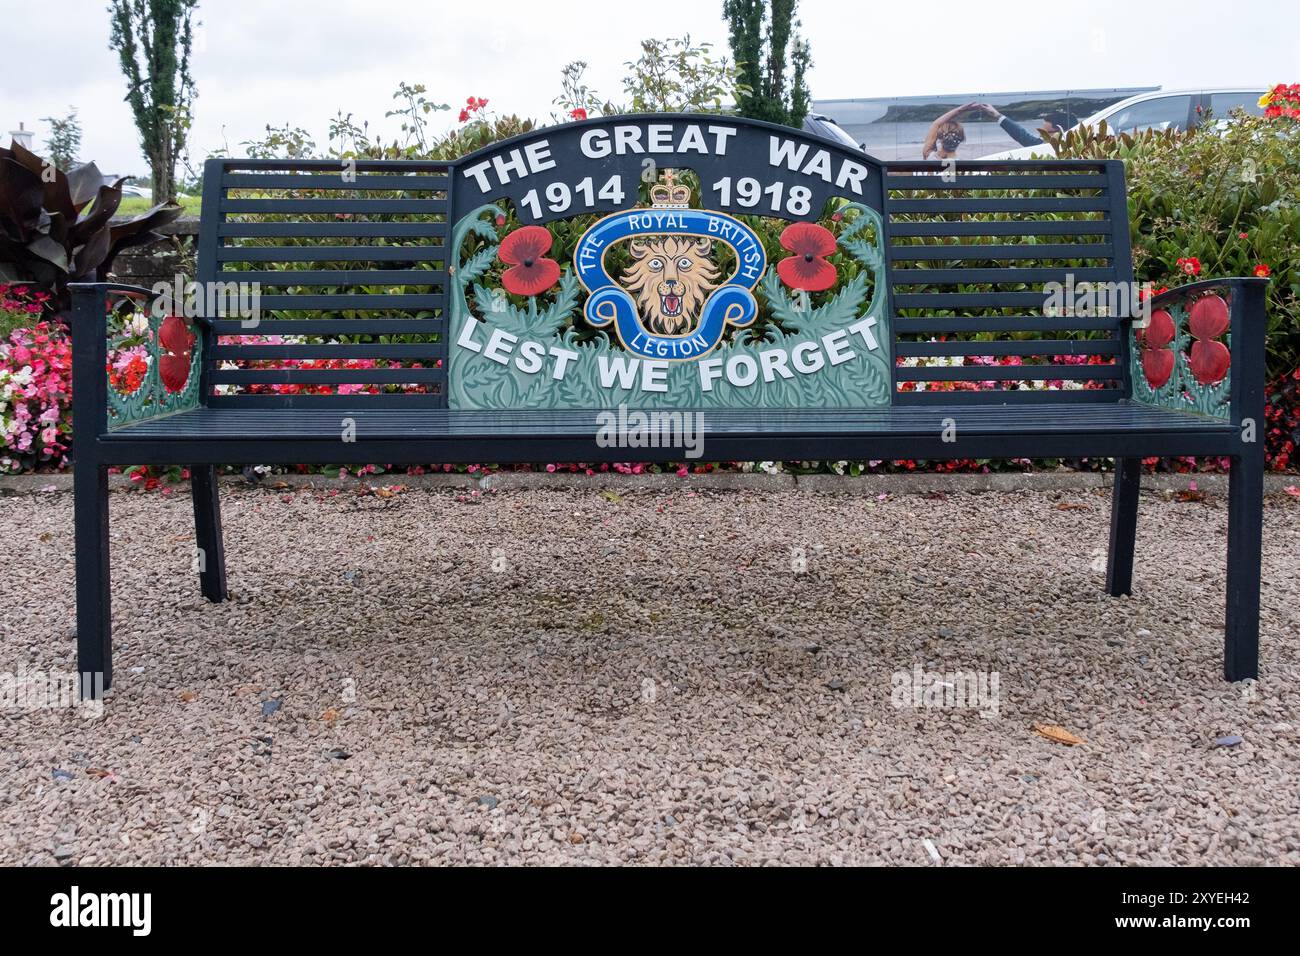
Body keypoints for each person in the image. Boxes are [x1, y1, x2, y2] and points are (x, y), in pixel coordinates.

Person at [968, 103, 1073, 147]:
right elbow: (1022, 136)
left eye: (1045, 133)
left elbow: (1023, 137)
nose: (1041, 136)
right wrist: (997, 115)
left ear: (1060, 132)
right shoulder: (1044, 146)